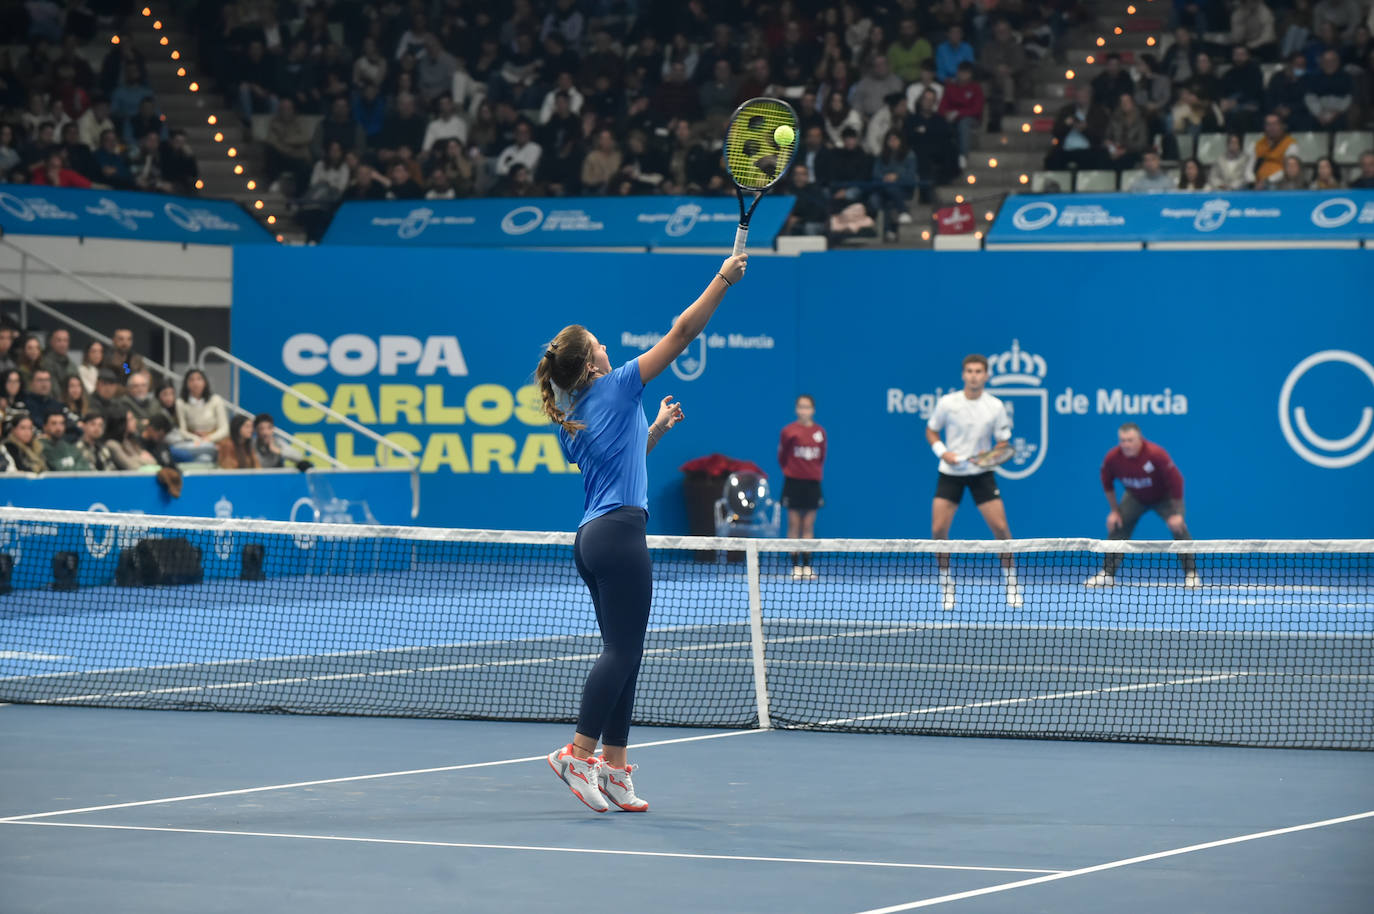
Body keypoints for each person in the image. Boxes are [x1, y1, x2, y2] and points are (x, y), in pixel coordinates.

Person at [539, 252, 748, 814]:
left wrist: (652, 430)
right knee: (624, 651)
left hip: (592, 539)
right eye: (599, 343)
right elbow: (682, 332)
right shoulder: (621, 384)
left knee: (624, 652)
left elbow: (620, 468)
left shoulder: (576, 414)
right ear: (590, 365)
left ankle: (612, 767)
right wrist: (722, 280)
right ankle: (577, 754)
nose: (608, 347)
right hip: (621, 536)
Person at [925, 353, 1020, 610]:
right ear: (963, 375)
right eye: (969, 371)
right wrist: (943, 453)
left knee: (1001, 530)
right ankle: (947, 587)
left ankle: (1012, 585)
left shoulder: (995, 407)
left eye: (979, 371)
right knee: (938, 531)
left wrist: (987, 458)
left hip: (981, 474)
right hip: (950, 472)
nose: (974, 376)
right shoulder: (948, 402)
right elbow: (931, 430)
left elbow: (1003, 443)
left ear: (986, 375)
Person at [1087, 422, 1199, 588]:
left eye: (1130, 440)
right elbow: (1107, 484)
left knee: (1179, 528)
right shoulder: (1113, 458)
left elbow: (1177, 481)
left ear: (1140, 440)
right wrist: (1114, 511)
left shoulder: (1156, 454)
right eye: (1122, 440)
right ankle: (1107, 574)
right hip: (1135, 497)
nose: (1126, 444)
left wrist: (1178, 514)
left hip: (1163, 497)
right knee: (1117, 526)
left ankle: (1191, 574)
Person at [778, 394, 826, 578]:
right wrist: (793, 471)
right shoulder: (789, 431)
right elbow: (782, 457)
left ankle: (807, 565)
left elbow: (821, 457)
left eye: (807, 407)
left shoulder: (820, 432)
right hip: (793, 482)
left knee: (808, 525)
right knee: (794, 524)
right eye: (801, 406)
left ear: (813, 410)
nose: (804, 410)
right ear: (796, 409)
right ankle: (795, 566)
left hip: (813, 483)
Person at [174, 369, 229, 457]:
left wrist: (209, 438)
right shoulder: (180, 402)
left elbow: (224, 429)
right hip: (193, 441)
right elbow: (182, 430)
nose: (195, 383)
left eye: (199, 379)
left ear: (205, 382)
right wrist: (197, 439)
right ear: (186, 384)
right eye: (191, 380)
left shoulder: (216, 400)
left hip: (215, 441)